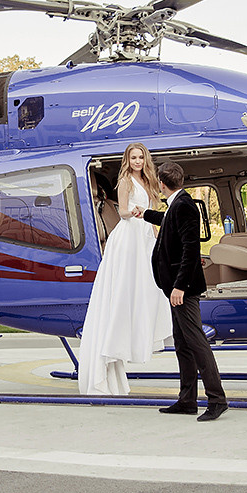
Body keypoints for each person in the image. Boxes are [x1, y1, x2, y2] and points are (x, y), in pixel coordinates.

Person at [78, 143, 173, 395]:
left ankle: (141, 332)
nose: (138, 161)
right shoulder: (125, 180)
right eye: (134, 157)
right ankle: (118, 339)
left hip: (145, 234)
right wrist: (134, 212)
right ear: (127, 160)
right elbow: (121, 212)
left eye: (141, 156)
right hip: (129, 234)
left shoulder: (149, 180)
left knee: (150, 287)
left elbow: (153, 213)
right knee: (126, 288)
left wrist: (155, 234)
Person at [137, 161, 228, 421]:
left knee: (197, 342)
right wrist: (143, 213)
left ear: (162, 184)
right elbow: (166, 221)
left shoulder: (184, 205)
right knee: (182, 344)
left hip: (182, 290)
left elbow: (190, 249)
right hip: (174, 288)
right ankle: (187, 400)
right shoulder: (178, 204)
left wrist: (179, 286)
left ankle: (217, 399)